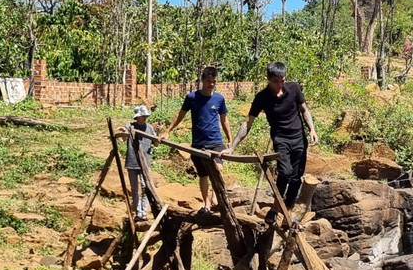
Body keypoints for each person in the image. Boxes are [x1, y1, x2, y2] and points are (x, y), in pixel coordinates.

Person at [222, 61, 318, 226]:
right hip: (281, 139)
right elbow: (248, 123)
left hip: (299, 138)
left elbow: (304, 110)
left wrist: (312, 129)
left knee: (296, 178)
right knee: (285, 172)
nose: (280, 85)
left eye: (282, 80)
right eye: (275, 81)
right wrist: (232, 147)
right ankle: (275, 207)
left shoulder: (294, 88)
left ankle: (287, 211)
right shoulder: (262, 97)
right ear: (268, 79)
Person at [161, 66, 232, 214]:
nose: (211, 84)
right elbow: (180, 115)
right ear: (202, 81)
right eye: (208, 81)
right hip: (198, 144)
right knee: (203, 175)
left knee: (218, 168)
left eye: (214, 81)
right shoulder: (192, 98)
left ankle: (216, 199)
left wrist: (230, 139)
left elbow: (224, 120)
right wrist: (167, 131)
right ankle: (206, 205)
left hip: (216, 142)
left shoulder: (219, 98)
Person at [118, 105, 158, 222]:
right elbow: (124, 138)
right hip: (132, 161)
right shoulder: (130, 126)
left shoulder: (150, 128)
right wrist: (123, 132)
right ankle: (138, 212)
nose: (145, 118)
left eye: (145, 116)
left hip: (145, 162)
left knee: (146, 188)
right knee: (134, 188)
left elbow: (155, 143)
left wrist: (158, 135)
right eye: (143, 116)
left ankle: (144, 211)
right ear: (137, 117)